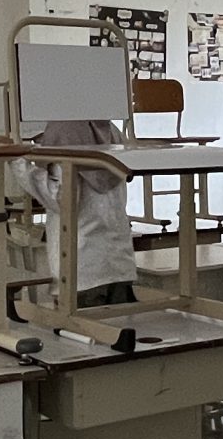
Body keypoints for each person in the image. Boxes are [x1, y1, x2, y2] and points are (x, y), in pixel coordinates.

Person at [22, 118, 137, 307]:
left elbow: (63, 199)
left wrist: (19, 165)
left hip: (81, 266)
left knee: (81, 324)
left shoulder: (64, 131)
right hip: (119, 261)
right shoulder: (110, 128)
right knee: (116, 321)